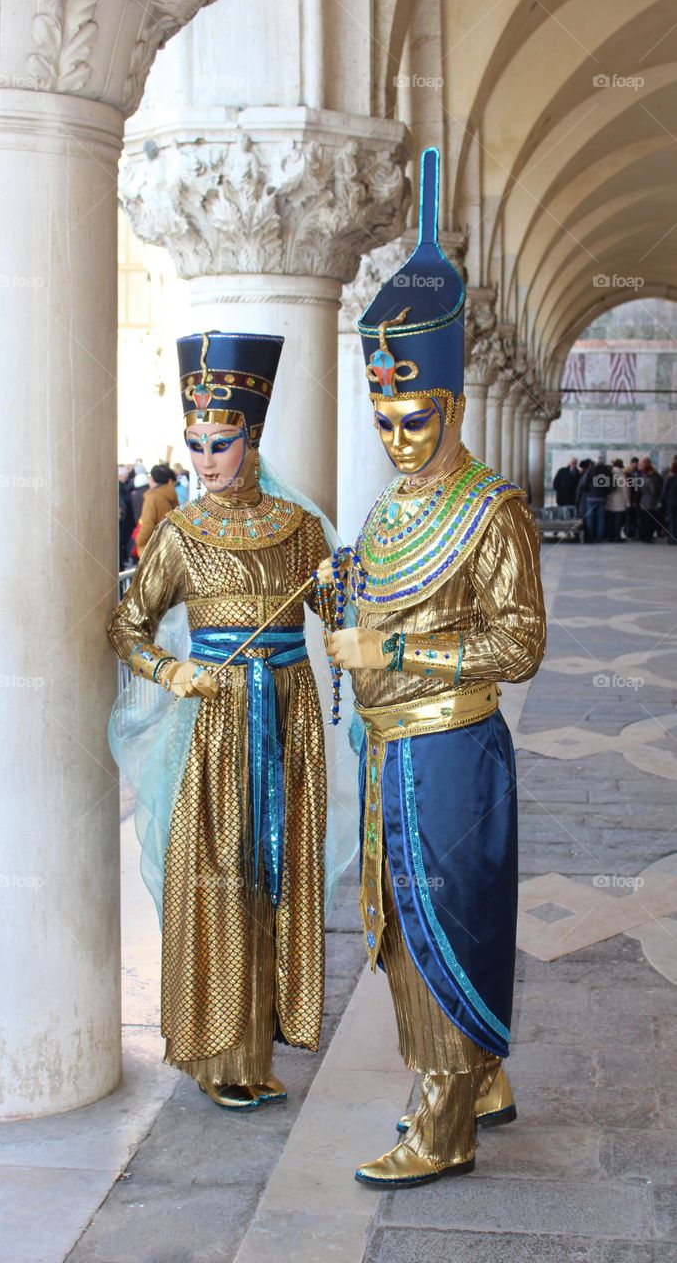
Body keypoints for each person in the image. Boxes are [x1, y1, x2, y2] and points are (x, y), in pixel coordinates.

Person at [321, 148, 546, 1188]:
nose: (396, 436)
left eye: (413, 416)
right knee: (405, 924)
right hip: (390, 745)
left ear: (454, 401)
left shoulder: (492, 508)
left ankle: (441, 1118)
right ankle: (478, 1075)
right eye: (380, 418)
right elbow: (374, 590)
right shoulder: (386, 507)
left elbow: (518, 642)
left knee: (444, 916)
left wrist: (397, 647)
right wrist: (342, 592)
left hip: (453, 748)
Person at [108, 331, 337, 1112]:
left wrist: (350, 589)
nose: (206, 460)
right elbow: (126, 626)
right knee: (220, 878)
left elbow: (336, 617)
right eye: (196, 444)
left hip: (289, 716)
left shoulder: (302, 530)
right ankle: (218, 1052)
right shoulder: (177, 533)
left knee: (277, 872)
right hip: (214, 726)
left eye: (222, 442)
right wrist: (172, 670)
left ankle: (263, 1042)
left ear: (253, 436)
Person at [136, 463, 179, 554]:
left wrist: (139, 541)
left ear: (152, 479)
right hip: (170, 545)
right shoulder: (172, 495)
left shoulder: (152, 498)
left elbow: (147, 524)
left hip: (154, 547)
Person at [577, 454, 612, 543]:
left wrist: (589, 490)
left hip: (591, 497)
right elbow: (612, 485)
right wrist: (605, 492)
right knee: (601, 518)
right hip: (602, 498)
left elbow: (584, 484)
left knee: (590, 518)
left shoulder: (590, 470)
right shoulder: (607, 471)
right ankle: (599, 538)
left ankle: (590, 538)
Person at [638, 457, 662, 543]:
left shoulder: (641, 478)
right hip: (651, 502)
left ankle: (643, 536)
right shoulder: (652, 478)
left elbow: (640, 490)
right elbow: (653, 491)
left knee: (643, 520)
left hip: (643, 500)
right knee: (649, 520)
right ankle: (647, 537)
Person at [606, 459, 627, 542]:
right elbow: (625, 490)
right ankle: (617, 537)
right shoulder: (621, 475)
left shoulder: (608, 474)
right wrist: (627, 502)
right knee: (618, 520)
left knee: (610, 520)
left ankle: (610, 536)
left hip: (609, 501)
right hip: (619, 500)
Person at [662, 461, 677, 545]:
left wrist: (661, 500)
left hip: (670, 502)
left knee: (671, 520)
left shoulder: (669, 478)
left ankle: (672, 539)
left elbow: (665, 491)